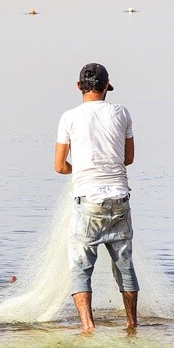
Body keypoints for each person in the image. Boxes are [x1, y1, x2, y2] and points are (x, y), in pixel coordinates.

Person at [54, 62, 137, 332]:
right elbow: (128, 158)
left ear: (79, 86)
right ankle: (131, 325)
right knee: (125, 267)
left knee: (81, 268)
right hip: (119, 201)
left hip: (88, 202)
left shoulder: (69, 117)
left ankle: (88, 328)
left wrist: (79, 169)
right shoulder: (122, 112)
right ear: (106, 86)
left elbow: (59, 166)